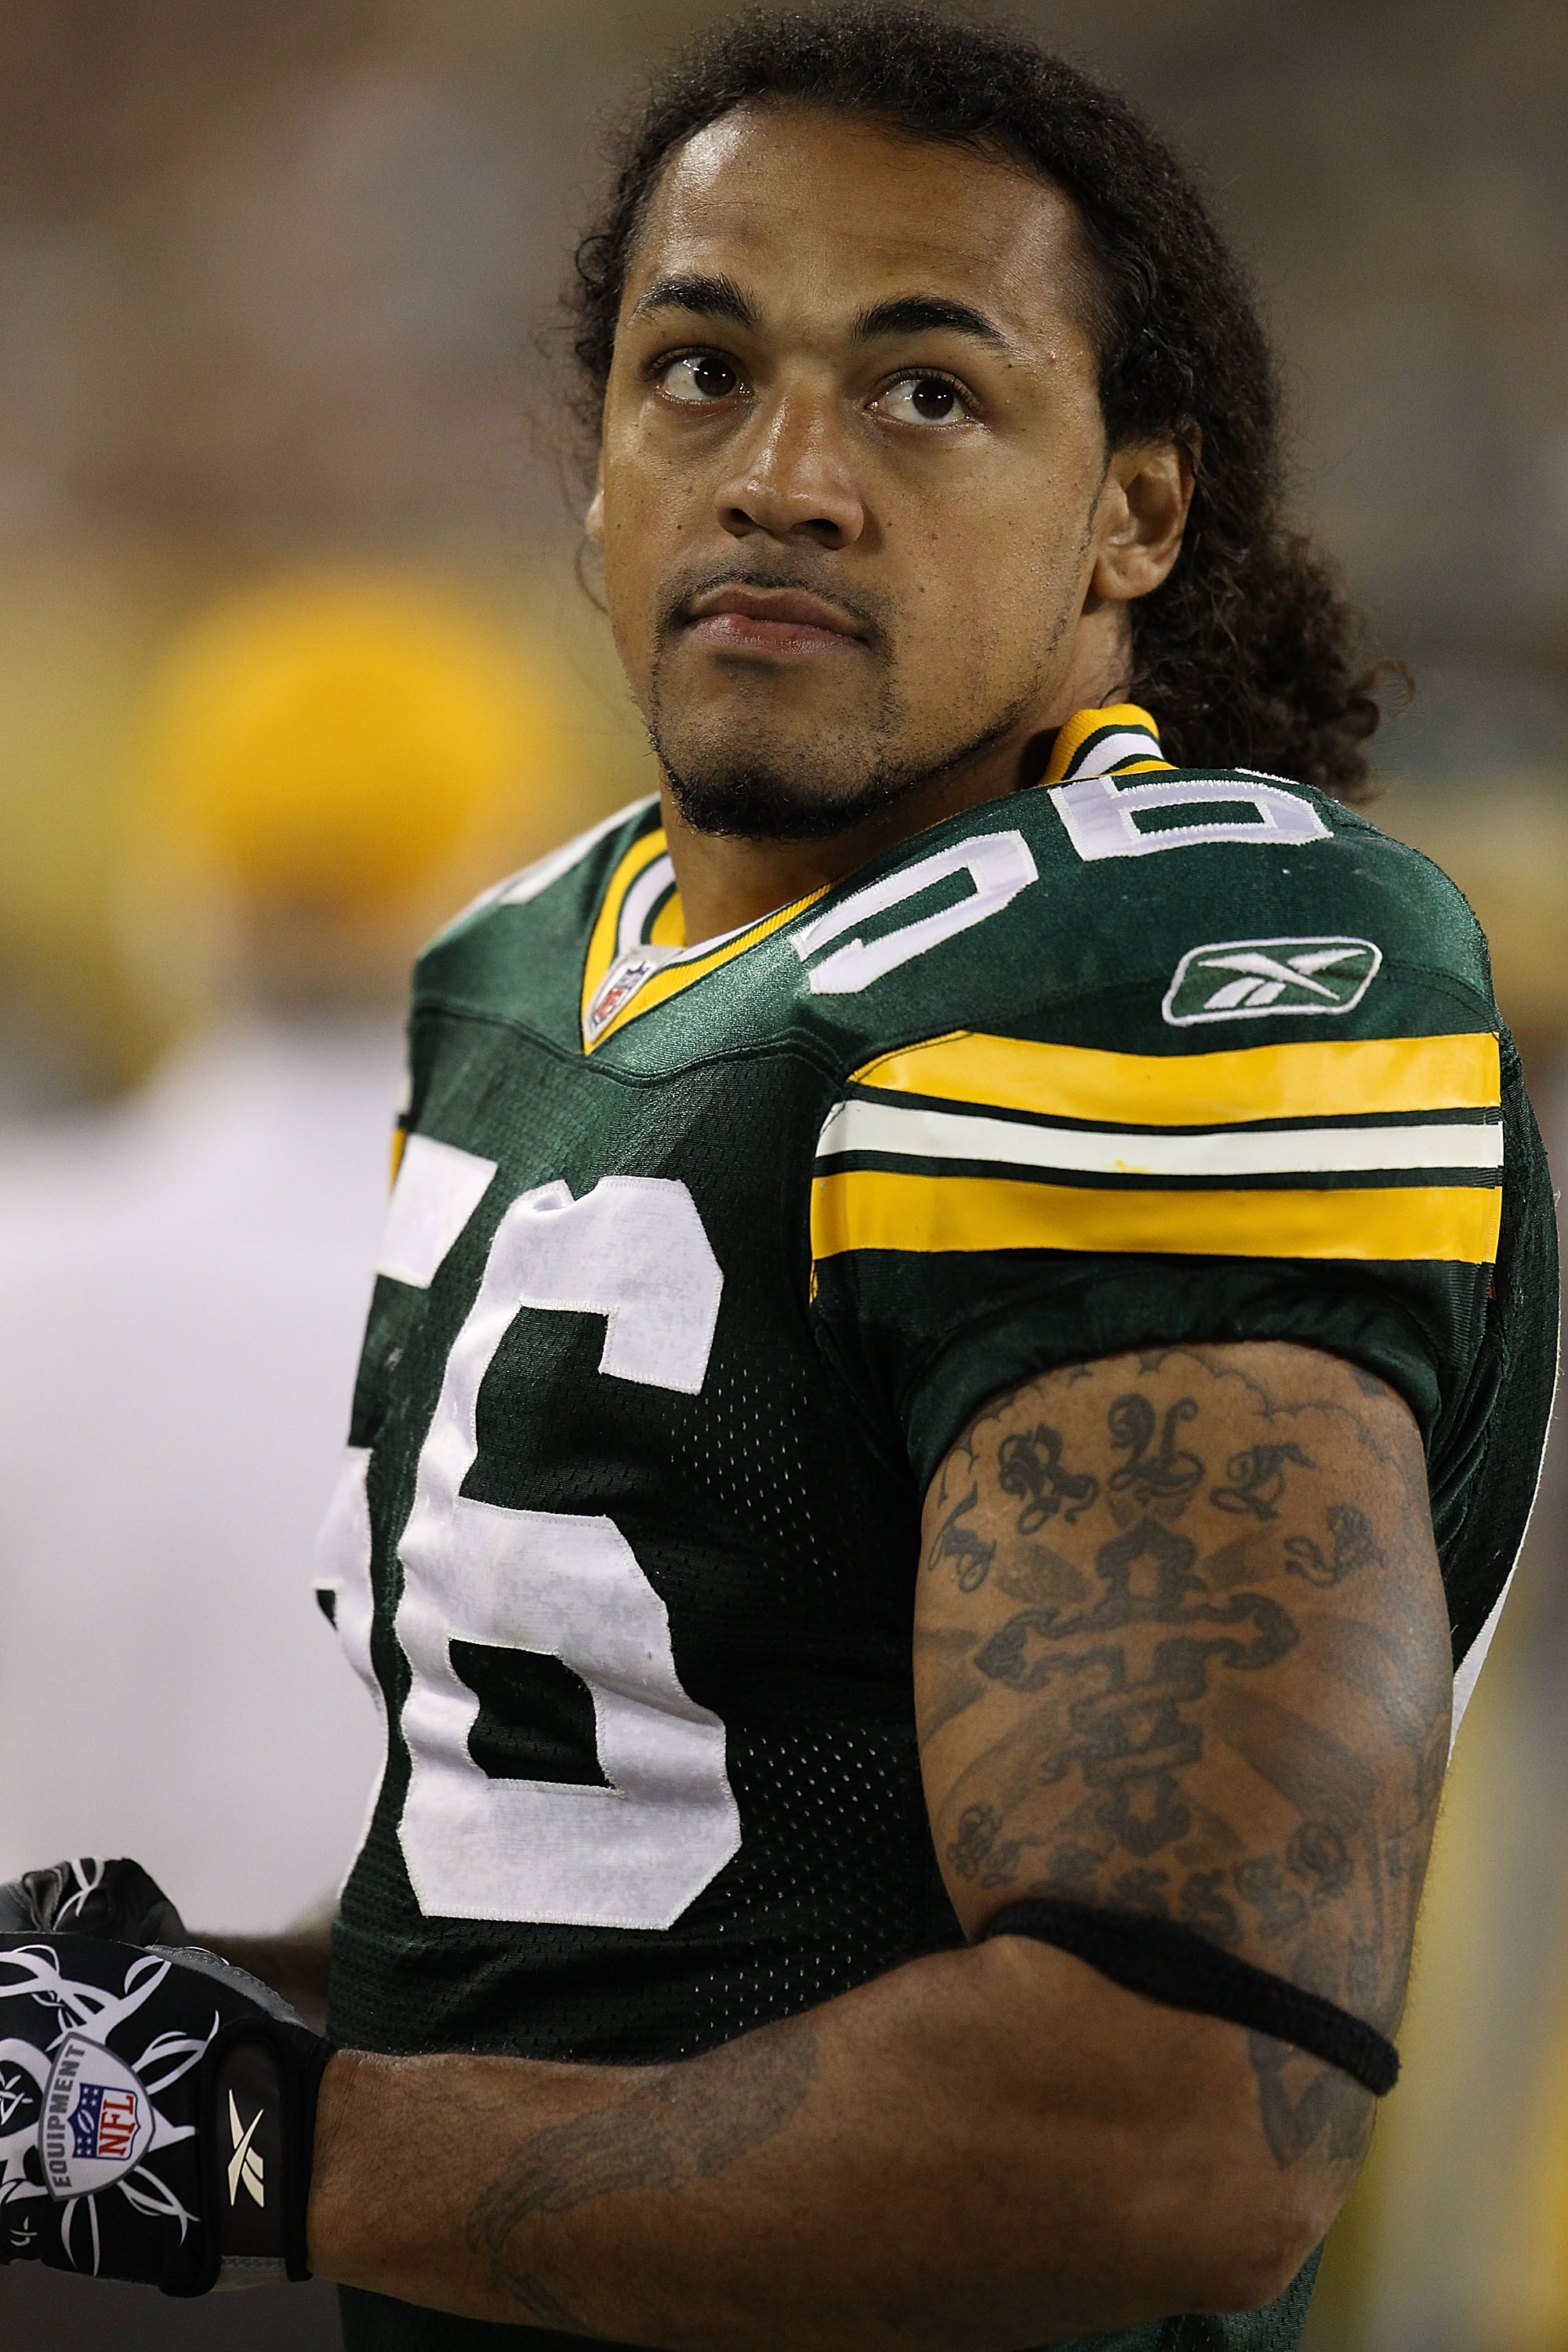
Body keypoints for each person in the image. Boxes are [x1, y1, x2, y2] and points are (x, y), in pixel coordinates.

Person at [0, 9, 1555, 2350]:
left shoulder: (1154, 968)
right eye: (702, 371)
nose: (786, 477)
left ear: (1138, 507)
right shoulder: (539, 970)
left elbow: (1168, 2113)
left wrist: (253, 2143)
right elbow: (610, 1928)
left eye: (927, 390)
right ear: (599, 460)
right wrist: (126, 2031)